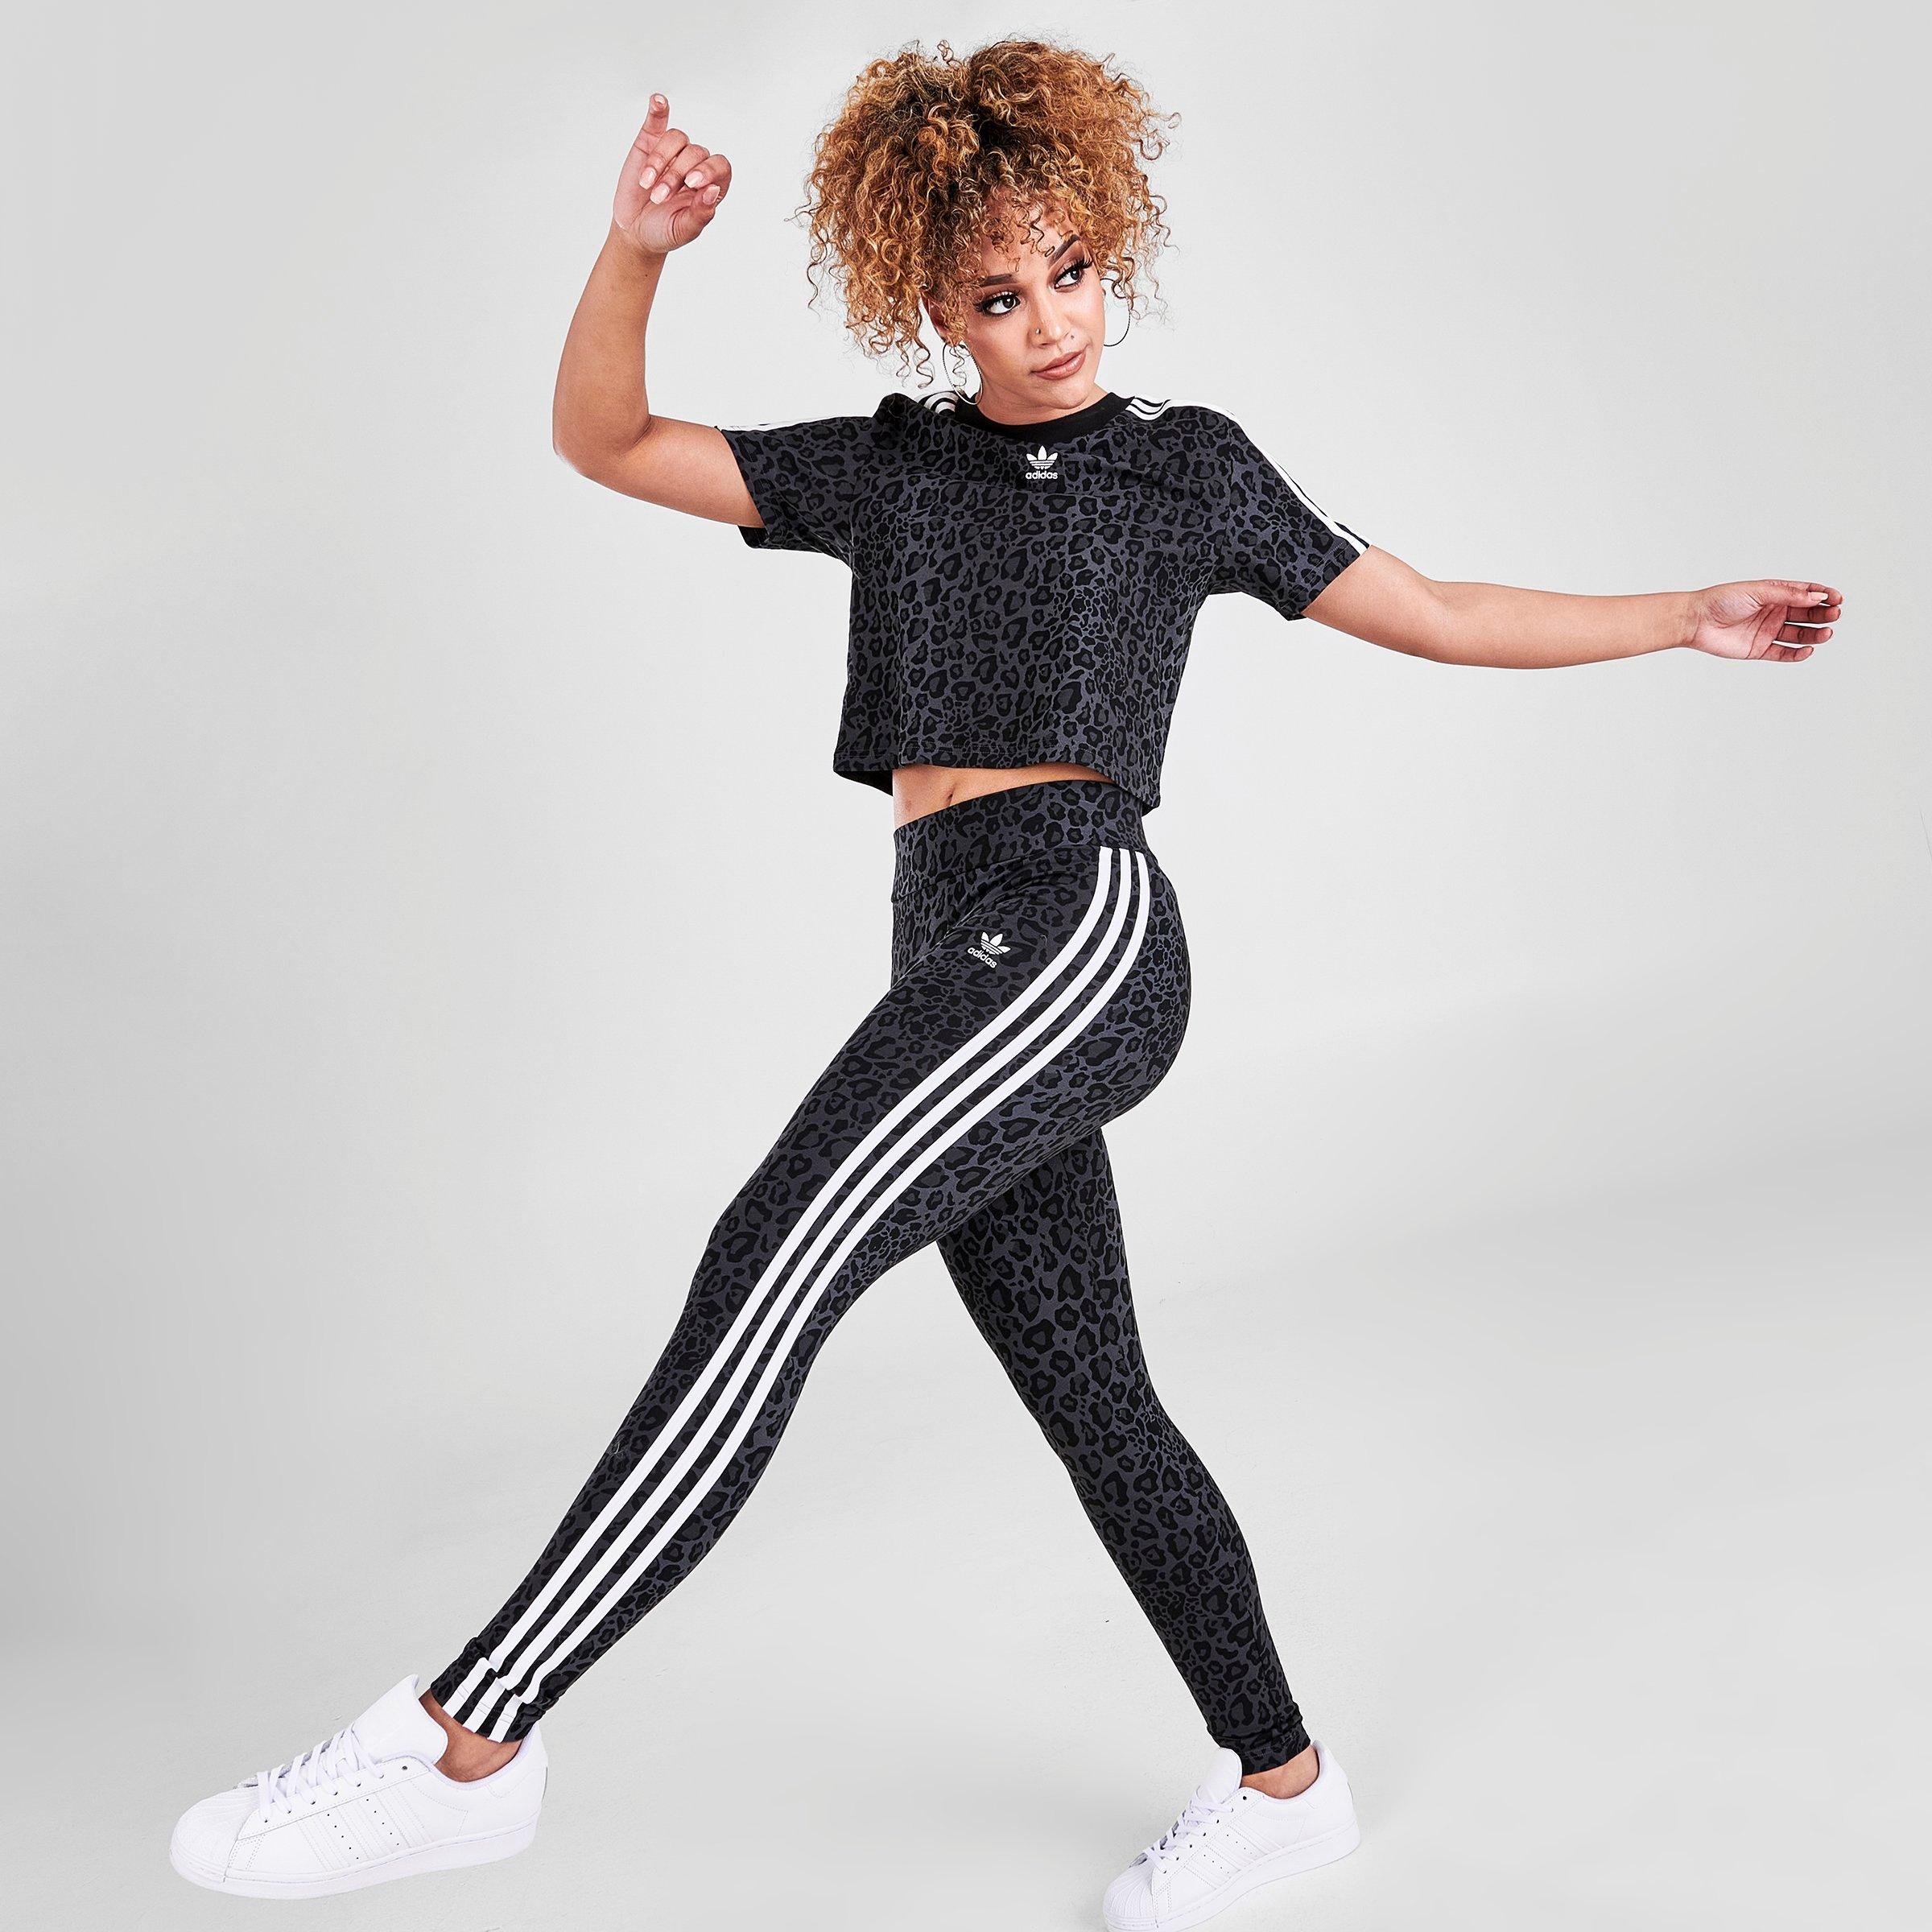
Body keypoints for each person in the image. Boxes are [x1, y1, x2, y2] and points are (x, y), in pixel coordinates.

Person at [167, 37, 1841, 1930]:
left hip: (1076, 923)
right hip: (951, 933)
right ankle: (1284, 1789)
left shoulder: (1188, 468)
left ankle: (466, 1741)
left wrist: (1680, 618)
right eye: (997, 295)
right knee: (1095, 1397)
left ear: (1110, 244)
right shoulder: (888, 473)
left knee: (775, 1251)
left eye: (1072, 270)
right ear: (931, 303)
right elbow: (607, 440)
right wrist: (634, 251)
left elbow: (1441, 611)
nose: (1050, 321)